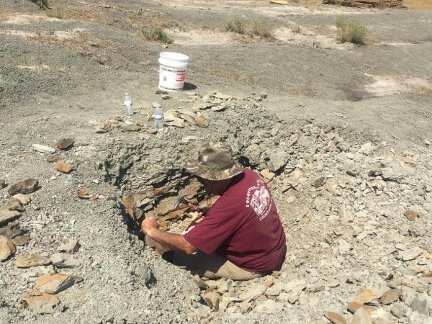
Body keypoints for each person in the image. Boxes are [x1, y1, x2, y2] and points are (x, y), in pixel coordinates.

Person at [141, 141, 286, 280]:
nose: (200, 182)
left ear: (216, 178)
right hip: (274, 249)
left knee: (168, 251)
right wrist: (211, 213)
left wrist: (151, 230)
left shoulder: (230, 206)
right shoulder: (249, 175)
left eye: (203, 178)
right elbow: (243, 210)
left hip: (255, 265)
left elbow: (188, 246)